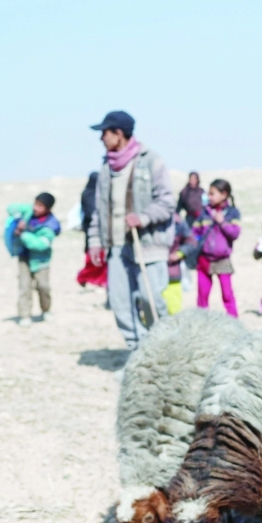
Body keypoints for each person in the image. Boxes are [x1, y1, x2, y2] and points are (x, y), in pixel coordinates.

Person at [87, 110, 175, 350]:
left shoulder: (151, 161)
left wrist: (143, 217)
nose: (101, 138)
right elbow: (99, 209)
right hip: (117, 246)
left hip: (148, 245)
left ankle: (162, 351)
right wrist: (95, 241)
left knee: (151, 299)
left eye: (104, 132)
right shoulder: (106, 167)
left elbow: (167, 202)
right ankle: (135, 353)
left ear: (118, 133)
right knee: (120, 303)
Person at [7, 193, 61, 326]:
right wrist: (21, 217)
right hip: (24, 257)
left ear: (48, 209)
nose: (36, 208)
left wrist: (23, 235)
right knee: (24, 287)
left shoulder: (50, 226)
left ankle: (46, 310)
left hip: (41, 260)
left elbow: (40, 245)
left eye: (40, 206)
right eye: (35, 204)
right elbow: (11, 208)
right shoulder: (29, 212)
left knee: (43, 287)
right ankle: (25, 315)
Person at [192, 179, 241, 318]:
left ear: (224, 194)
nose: (209, 196)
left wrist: (222, 223)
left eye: (212, 193)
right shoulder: (204, 213)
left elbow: (235, 233)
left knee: (227, 293)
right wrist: (196, 243)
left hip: (222, 260)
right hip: (204, 260)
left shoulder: (233, 213)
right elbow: (195, 233)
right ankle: (201, 323)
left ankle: (233, 321)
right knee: (202, 294)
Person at [76, 172, 107, 288]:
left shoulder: (99, 193)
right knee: (93, 259)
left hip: (98, 229)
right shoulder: (88, 194)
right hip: (91, 230)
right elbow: (91, 212)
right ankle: (83, 277)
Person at [163, 213, 196, 314]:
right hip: (151, 275)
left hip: (172, 274)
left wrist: (179, 254)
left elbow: (191, 242)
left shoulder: (178, 222)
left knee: (174, 310)